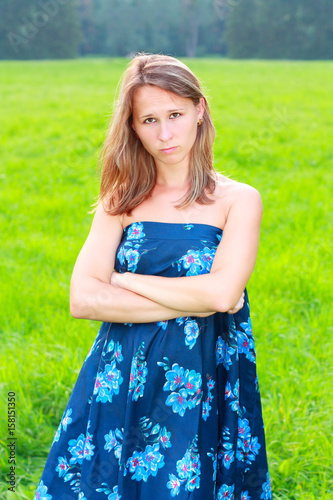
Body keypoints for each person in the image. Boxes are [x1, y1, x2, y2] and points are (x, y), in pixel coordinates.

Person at [34, 53, 272, 500]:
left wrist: (125, 280)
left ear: (200, 110)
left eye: (176, 115)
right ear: (133, 127)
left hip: (205, 373)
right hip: (123, 372)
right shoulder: (119, 201)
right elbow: (83, 299)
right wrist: (197, 297)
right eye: (149, 120)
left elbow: (223, 294)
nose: (165, 134)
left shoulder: (238, 200)